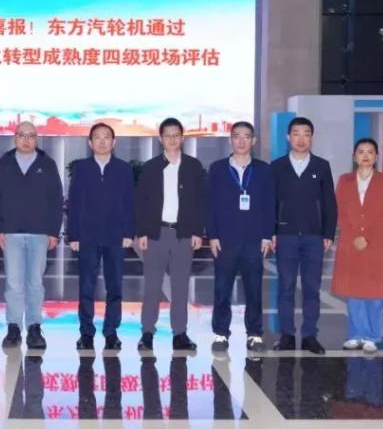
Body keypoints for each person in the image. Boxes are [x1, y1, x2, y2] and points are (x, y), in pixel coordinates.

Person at [0, 121, 63, 349]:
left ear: (36, 138)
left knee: (35, 283)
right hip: (11, 233)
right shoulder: (3, 164)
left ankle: (34, 327)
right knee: (13, 283)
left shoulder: (47, 164)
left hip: (39, 233)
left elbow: (56, 199)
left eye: (31, 136)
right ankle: (13, 327)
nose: (26, 140)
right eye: (22, 135)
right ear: (15, 137)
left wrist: (53, 231)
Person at [135, 117, 206, 352]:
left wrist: (198, 231)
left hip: (183, 235)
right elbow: (141, 202)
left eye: (176, 135)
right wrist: (142, 232)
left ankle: (180, 333)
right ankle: (147, 332)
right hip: (156, 234)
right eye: (168, 136)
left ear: (182, 138)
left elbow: (200, 202)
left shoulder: (193, 167)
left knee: (180, 286)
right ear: (160, 139)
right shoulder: (151, 167)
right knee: (152, 285)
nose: (172, 140)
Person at [206, 121, 275, 354]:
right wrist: (212, 235)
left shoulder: (263, 170)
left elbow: (269, 205)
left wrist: (267, 235)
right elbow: (210, 204)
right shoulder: (217, 169)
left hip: (254, 240)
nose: (242, 141)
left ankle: (254, 334)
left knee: (254, 289)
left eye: (246, 136)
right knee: (222, 289)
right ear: (231, 140)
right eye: (237, 136)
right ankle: (220, 333)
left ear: (253, 141)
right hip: (225, 239)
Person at [66, 123, 135, 351]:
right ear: (90, 142)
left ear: (114, 142)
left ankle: (111, 332)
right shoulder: (82, 169)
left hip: (116, 237)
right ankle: (86, 332)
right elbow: (74, 203)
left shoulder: (124, 169)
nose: (102, 141)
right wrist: (73, 235)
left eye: (107, 137)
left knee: (115, 288)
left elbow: (129, 203)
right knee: (86, 287)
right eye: (97, 137)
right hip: (87, 237)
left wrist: (128, 233)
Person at [270, 117, 336, 354]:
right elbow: (270, 202)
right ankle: (286, 335)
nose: (301, 139)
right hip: (285, 235)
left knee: (311, 288)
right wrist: (271, 232)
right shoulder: (276, 167)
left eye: (306, 134)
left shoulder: (321, 166)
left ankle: (310, 335)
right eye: (296, 134)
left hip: (313, 237)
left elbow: (329, 203)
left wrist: (328, 233)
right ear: (288, 137)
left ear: (312, 137)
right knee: (286, 287)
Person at [330, 138, 383, 354]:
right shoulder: (345, 180)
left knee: (374, 292)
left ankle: (372, 336)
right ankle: (355, 334)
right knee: (354, 291)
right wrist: (354, 235)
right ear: (354, 156)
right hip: (350, 242)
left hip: (376, 242)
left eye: (370, 152)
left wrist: (366, 236)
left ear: (376, 157)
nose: (365, 155)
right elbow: (340, 211)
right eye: (361, 152)